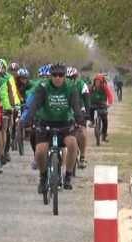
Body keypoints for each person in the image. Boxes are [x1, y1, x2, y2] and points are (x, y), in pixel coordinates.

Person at [24, 62, 86, 191]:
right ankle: (43, 177)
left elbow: (75, 105)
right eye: (54, 75)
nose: (57, 77)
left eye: (61, 75)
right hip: (45, 122)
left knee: (73, 143)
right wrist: (28, 120)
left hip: (65, 123)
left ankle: (68, 176)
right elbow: (35, 105)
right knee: (40, 152)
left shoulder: (71, 87)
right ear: (50, 76)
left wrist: (80, 120)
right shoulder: (43, 87)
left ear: (64, 76)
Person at [66, 67, 90, 169]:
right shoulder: (62, 86)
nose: (70, 79)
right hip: (67, 112)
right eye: (68, 77)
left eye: (72, 77)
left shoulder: (82, 85)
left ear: (76, 77)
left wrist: (88, 114)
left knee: (82, 132)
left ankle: (83, 157)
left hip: (80, 111)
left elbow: (87, 101)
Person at [89, 73, 114, 142]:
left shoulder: (104, 87)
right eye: (96, 81)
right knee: (90, 108)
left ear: (101, 82)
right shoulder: (91, 88)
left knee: (105, 119)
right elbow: (87, 95)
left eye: (99, 82)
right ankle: (92, 121)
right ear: (94, 82)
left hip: (102, 104)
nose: (97, 83)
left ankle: (104, 135)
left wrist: (110, 103)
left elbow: (110, 95)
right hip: (93, 103)